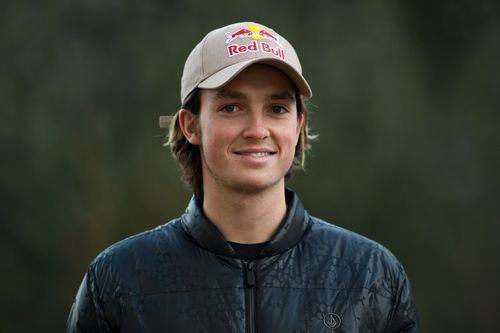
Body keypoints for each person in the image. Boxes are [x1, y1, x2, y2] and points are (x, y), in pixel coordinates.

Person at [67, 21, 419, 332]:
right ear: (191, 126)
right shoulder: (119, 279)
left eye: (277, 108)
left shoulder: (371, 275)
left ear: (297, 127)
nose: (257, 129)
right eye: (231, 107)